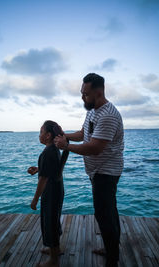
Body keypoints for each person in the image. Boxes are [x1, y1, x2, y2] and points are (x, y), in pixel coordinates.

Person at [54, 73, 124, 267]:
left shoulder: (109, 115)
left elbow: (94, 148)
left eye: (85, 94)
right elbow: (83, 134)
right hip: (97, 171)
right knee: (109, 211)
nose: (82, 97)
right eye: (81, 93)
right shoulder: (92, 110)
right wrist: (65, 136)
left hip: (107, 171)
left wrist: (65, 147)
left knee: (104, 214)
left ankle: (112, 259)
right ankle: (112, 247)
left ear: (98, 92)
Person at [28, 120, 69, 267]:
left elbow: (43, 180)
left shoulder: (46, 153)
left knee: (49, 222)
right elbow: (52, 169)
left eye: (41, 132)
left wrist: (35, 200)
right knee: (54, 219)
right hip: (58, 190)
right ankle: (55, 250)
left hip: (50, 192)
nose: (39, 135)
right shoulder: (55, 149)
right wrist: (39, 169)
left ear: (48, 135)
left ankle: (53, 261)